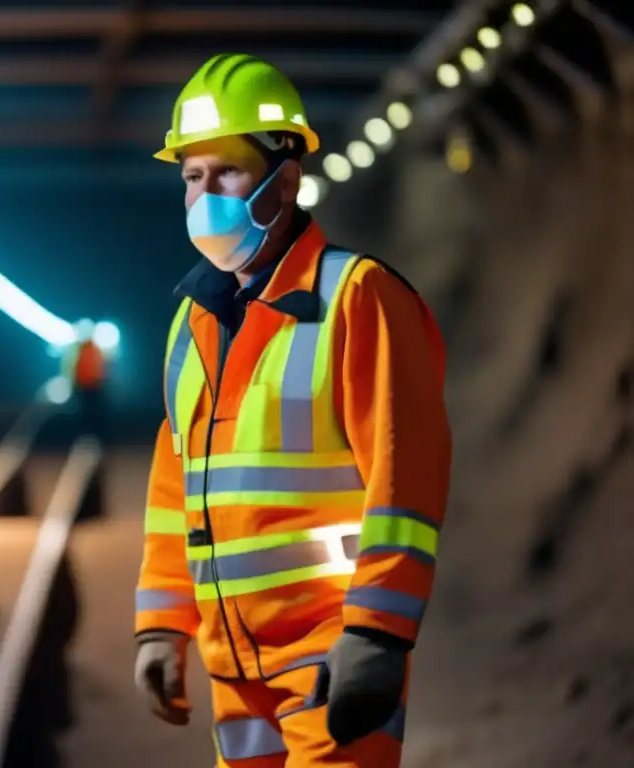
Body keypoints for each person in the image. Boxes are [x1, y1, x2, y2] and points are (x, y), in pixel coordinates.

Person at [133, 53, 452, 767]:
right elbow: (172, 490)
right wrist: (161, 623)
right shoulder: (192, 322)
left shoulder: (358, 297)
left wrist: (377, 631)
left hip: (329, 657)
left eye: (229, 173)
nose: (205, 195)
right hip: (233, 668)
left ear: (287, 175)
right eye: (192, 176)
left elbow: (406, 479)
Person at [61, 330, 107, 440]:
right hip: (83, 387)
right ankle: (84, 435)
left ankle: (94, 436)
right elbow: (72, 368)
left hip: (93, 387)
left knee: (93, 414)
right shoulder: (79, 350)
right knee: (83, 414)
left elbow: (100, 368)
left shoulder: (94, 350)